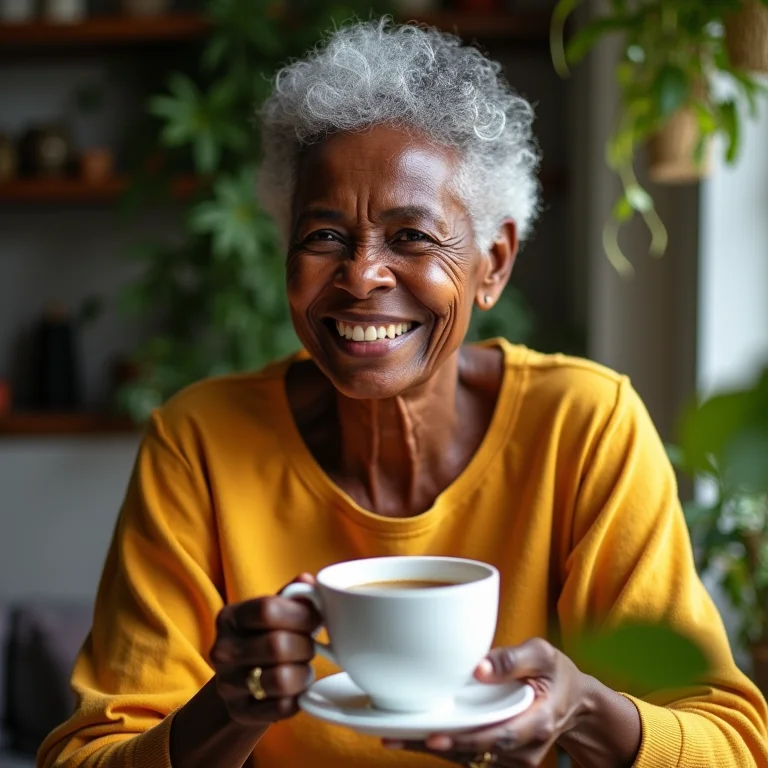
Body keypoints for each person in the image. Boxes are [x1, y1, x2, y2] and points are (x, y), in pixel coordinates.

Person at [38, 18, 768, 768]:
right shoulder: (201, 441)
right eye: (323, 236)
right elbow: (85, 757)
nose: (361, 276)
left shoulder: (582, 426)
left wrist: (583, 711)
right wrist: (228, 707)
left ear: (494, 263)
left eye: (412, 237)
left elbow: (734, 744)